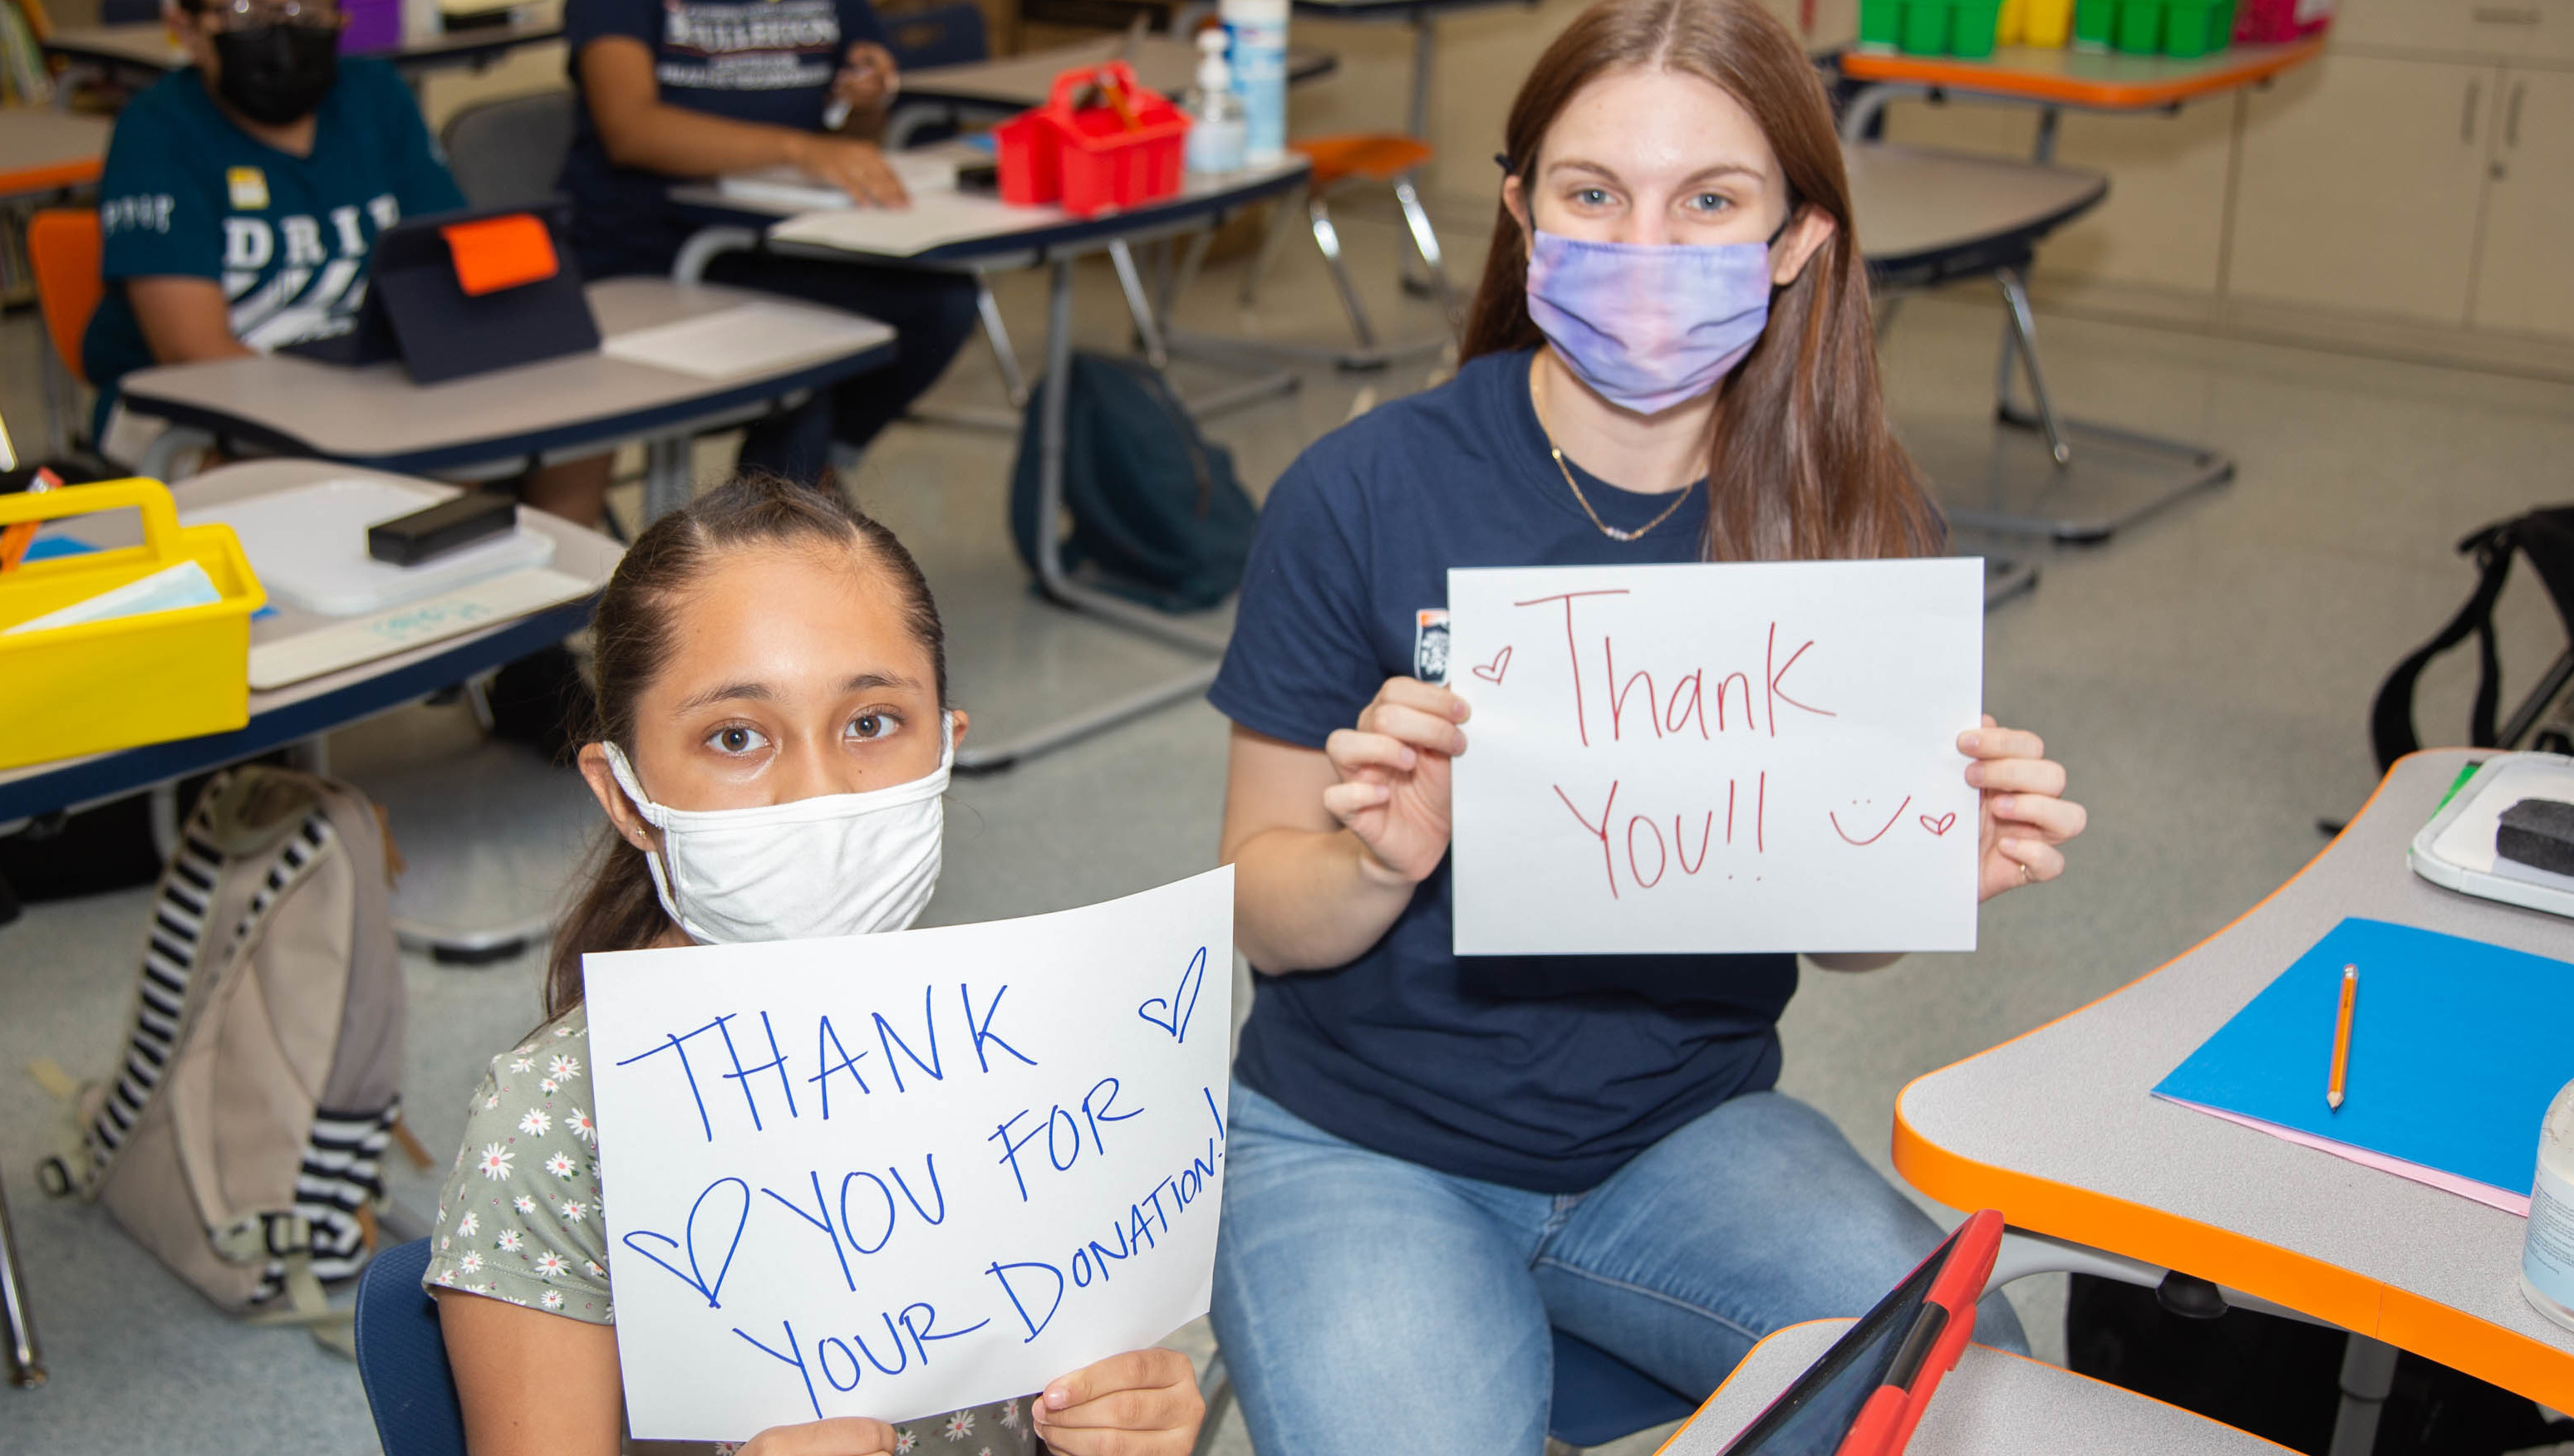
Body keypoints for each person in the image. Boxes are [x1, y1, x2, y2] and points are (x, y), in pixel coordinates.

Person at [1202, 1, 2092, 1451]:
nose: (1646, 248)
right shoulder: (1360, 491)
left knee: (1964, 1384)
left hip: (1682, 1135)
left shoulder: (1852, 522)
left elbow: (1839, 929)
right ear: (1521, 212)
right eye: (1593, 195)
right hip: (1359, 1142)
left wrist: (1924, 863)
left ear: (1797, 236)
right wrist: (1375, 862)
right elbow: (1256, 905)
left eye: (1711, 201)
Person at [424, 477, 1205, 1456]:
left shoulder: (1038, 1048)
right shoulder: (558, 1126)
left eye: (871, 722)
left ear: (944, 748)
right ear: (624, 795)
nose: (818, 793)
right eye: (736, 736)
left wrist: (1130, 1422)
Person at [81, 0, 612, 525]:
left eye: (304, 13)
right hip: (198, 408)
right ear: (188, 28)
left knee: (577, 422)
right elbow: (196, 355)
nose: (282, 35)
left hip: (371, 380)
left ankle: (564, 597)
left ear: (341, 19)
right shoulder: (156, 131)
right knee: (407, 482)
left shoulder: (374, 95)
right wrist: (374, 419)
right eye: (247, 13)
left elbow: (445, 256)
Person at [558, 0, 980, 484]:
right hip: (653, 249)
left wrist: (863, 103)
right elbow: (630, 128)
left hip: (785, 241)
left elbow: (850, 131)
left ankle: (809, 483)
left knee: (942, 304)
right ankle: (780, 520)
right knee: (806, 375)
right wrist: (799, 150)